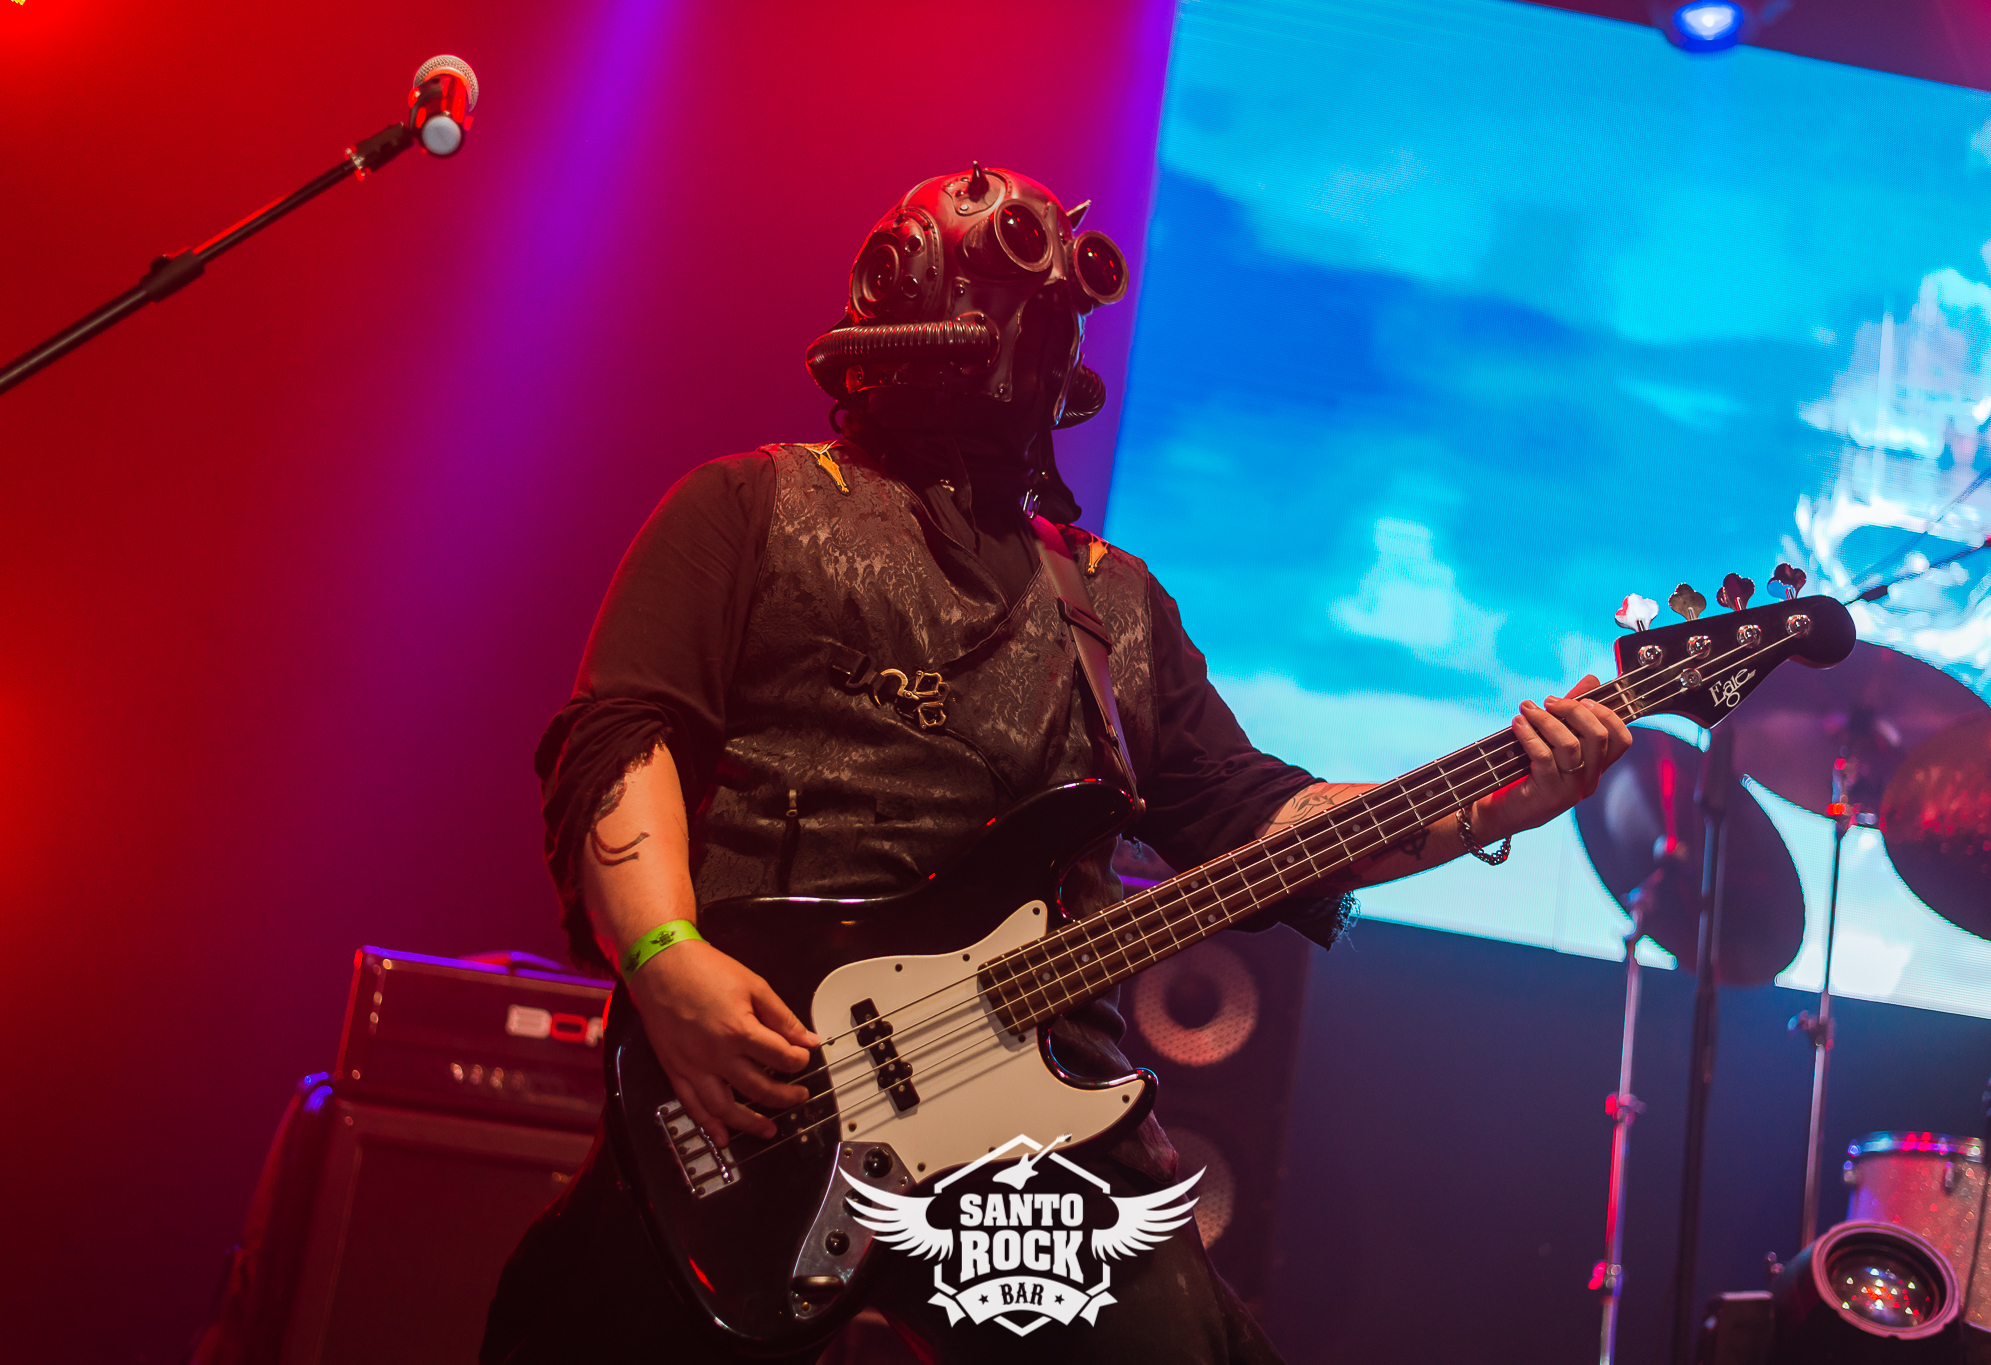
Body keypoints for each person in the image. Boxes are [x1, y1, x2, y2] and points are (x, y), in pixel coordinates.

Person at [480, 165, 1632, 1364]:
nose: (1024, 332)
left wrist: (1496, 802)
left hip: (1035, 1118)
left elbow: (1262, 820)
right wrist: (665, 961)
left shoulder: (1112, 601)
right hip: (765, 1082)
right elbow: (624, 736)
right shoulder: (746, 507)